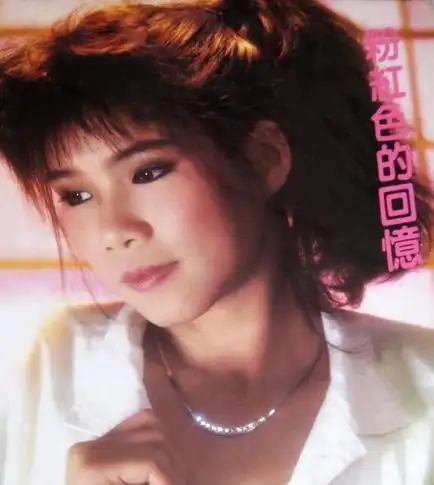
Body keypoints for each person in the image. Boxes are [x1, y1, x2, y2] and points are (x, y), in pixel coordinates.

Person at [0, 0, 433, 484]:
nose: (114, 231)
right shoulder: (42, 368)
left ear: (264, 158)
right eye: (76, 195)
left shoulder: (423, 387)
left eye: (149, 172)